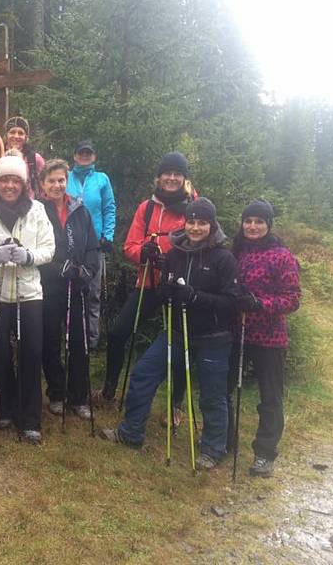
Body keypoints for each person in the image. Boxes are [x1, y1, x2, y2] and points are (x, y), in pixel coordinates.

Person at [100, 198, 238, 471]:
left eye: (202, 222)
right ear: (185, 222)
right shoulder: (175, 253)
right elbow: (165, 287)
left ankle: (212, 449)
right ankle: (131, 432)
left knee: (212, 394)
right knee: (143, 373)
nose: (196, 227)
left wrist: (196, 297)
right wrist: (165, 292)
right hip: (175, 331)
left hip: (213, 338)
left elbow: (230, 302)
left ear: (212, 225)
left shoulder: (224, 258)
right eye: (192, 221)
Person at [96, 151, 194, 417]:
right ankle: (109, 388)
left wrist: (168, 255)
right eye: (167, 173)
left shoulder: (195, 207)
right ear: (159, 177)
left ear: (184, 178)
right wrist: (144, 253)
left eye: (177, 173)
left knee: (178, 342)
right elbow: (129, 246)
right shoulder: (147, 207)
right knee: (118, 333)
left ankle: (176, 405)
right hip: (149, 282)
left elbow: (201, 243)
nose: (171, 178)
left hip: (178, 285)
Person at [0, 155, 55, 444]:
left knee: (31, 352)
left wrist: (29, 256)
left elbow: (49, 249)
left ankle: (30, 418)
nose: (9, 185)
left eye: (15, 180)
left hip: (28, 291)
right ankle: (6, 406)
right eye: (4, 180)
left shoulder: (37, 210)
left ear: (24, 183)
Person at [229, 199, 301, 477]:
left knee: (270, 397)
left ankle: (264, 454)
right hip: (237, 332)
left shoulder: (282, 255)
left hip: (270, 338)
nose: (252, 226)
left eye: (259, 221)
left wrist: (260, 304)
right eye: (248, 220)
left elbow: (293, 299)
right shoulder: (235, 252)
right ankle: (224, 441)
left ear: (268, 225)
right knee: (225, 389)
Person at [39, 159, 100, 419]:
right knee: (50, 341)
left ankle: (79, 396)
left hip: (77, 284)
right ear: (42, 184)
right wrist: (56, 267)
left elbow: (92, 245)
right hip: (50, 285)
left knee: (79, 341)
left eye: (61, 180)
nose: (57, 185)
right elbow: (34, 246)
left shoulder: (80, 209)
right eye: (51, 180)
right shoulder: (37, 210)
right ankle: (56, 392)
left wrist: (88, 269)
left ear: (67, 181)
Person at [66, 139, 116, 350]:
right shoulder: (66, 178)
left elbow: (109, 208)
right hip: (68, 241)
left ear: (94, 156)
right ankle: (68, 338)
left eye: (88, 153)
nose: (84, 157)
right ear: (75, 155)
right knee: (67, 290)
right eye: (81, 153)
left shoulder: (101, 179)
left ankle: (92, 340)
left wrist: (108, 235)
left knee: (93, 293)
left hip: (95, 244)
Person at [4, 116, 45, 198]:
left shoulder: (35, 159)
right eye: (12, 132)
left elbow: (45, 184)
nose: (16, 136)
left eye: (20, 133)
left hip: (29, 205)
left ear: (26, 137)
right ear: (6, 135)